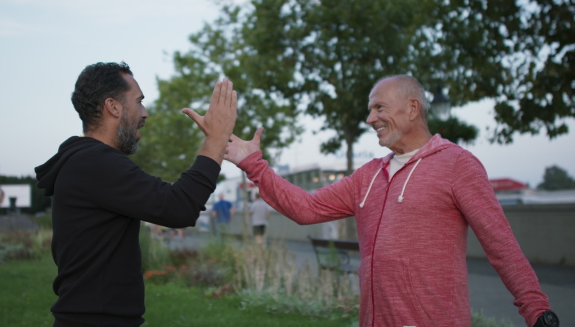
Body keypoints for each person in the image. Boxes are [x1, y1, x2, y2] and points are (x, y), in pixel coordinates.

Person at [220, 75, 559, 327]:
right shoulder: (367, 175)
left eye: (379, 107)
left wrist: (537, 310)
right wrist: (254, 164)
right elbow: (306, 209)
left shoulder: (457, 165)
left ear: (412, 108)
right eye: (370, 110)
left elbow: (501, 244)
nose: (370, 119)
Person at [35, 62, 237, 326]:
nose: (145, 113)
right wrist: (216, 139)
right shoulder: (94, 163)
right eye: (139, 101)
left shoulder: (89, 163)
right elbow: (178, 207)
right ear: (114, 106)